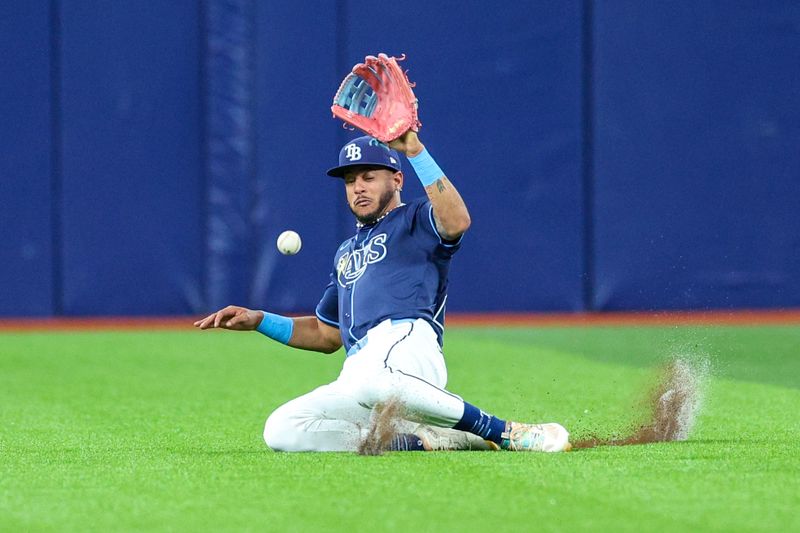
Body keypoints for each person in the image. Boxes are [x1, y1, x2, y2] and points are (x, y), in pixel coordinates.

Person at [194, 130, 570, 453]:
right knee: (283, 428)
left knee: (374, 381)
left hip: (408, 345)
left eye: (369, 176)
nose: (358, 187)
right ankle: (427, 439)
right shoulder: (346, 252)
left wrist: (416, 152)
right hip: (359, 367)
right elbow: (327, 335)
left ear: (396, 180)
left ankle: (505, 432)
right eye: (350, 180)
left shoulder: (415, 220)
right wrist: (259, 320)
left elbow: (457, 220)